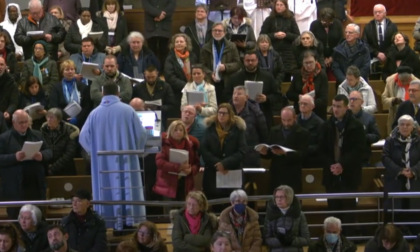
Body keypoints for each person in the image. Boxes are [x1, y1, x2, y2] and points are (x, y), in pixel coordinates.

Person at [79, 82, 147, 231]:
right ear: (118, 93)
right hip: (125, 159)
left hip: (102, 162)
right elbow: (142, 134)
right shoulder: (128, 110)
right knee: (127, 187)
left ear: (102, 94)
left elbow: (83, 136)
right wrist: (137, 150)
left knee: (106, 190)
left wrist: (94, 151)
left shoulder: (95, 113)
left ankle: (109, 222)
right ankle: (128, 222)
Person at [319, 95, 366, 223]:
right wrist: (332, 166)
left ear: (346, 107)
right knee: (333, 210)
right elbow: (321, 150)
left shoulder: (356, 126)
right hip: (331, 173)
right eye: (333, 106)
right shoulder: (326, 126)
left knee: (348, 210)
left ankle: (349, 238)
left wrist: (342, 165)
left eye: (339, 106)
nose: (335, 109)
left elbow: (359, 151)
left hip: (349, 174)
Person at [0, 110, 52, 219]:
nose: (24, 125)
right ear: (14, 123)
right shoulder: (4, 138)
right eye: (21, 123)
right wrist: (14, 157)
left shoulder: (37, 134)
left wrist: (41, 155)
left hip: (35, 184)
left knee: (37, 216)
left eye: (25, 122)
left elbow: (49, 151)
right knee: (16, 218)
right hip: (14, 186)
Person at [201, 103, 247, 200]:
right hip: (213, 171)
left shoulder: (238, 129)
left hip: (232, 171)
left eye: (224, 113)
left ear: (230, 115)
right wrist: (217, 163)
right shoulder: (210, 128)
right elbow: (204, 150)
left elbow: (242, 151)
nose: (221, 115)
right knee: (214, 200)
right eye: (219, 113)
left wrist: (225, 163)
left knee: (232, 200)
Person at [258, 106, 309, 193]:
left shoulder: (303, 132)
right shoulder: (274, 131)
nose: (286, 123)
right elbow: (270, 152)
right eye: (283, 120)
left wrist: (285, 153)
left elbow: (303, 155)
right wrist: (264, 152)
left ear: (295, 118)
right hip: (276, 173)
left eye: (289, 120)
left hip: (292, 173)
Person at [226, 51, 283, 127]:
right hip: (240, 114)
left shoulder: (267, 77)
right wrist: (238, 98)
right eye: (247, 60)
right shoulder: (235, 78)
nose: (250, 63)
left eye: (252, 60)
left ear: (257, 61)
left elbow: (277, 95)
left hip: (263, 111)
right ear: (243, 61)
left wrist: (266, 98)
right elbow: (226, 95)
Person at [154, 120, 200, 200]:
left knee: (183, 208)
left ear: (184, 132)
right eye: (175, 130)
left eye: (181, 130)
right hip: (168, 183)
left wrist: (191, 170)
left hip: (185, 183)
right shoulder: (164, 144)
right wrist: (178, 167)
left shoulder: (190, 145)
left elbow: (196, 163)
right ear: (170, 131)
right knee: (170, 209)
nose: (178, 132)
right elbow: (159, 162)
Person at [383, 115, 420, 212]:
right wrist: (400, 170)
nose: (405, 127)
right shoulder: (390, 141)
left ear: (413, 127)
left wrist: (414, 170)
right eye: (402, 124)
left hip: (415, 180)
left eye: (408, 125)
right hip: (395, 179)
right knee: (396, 211)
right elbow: (385, 157)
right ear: (398, 126)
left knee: (414, 212)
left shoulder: (418, 141)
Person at [200, 22, 241, 104]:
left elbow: (238, 64)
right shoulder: (205, 47)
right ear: (212, 32)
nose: (217, 32)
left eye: (219, 31)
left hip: (227, 81)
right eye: (215, 30)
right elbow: (202, 65)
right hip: (211, 81)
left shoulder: (231, 46)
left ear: (225, 32)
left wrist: (226, 67)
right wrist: (210, 73)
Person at [260, 0, 300, 81]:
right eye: (277, 5)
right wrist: (274, 35)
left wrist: (286, 35)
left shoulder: (291, 19)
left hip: (288, 54)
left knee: (286, 78)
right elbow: (262, 35)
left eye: (281, 5)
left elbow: (297, 36)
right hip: (273, 52)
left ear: (285, 6)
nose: (279, 7)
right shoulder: (269, 19)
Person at [264, 185, 310, 252]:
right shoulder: (270, 214)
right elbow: (266, 239)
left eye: (282, 197)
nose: (279, 199)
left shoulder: (300, 215)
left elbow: (306, 240)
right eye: (276, 197)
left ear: (289, 197)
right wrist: (280, 241)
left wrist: (292, 240)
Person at [230, 86, 268, 167]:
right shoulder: (227, 110)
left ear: (246, 97)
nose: (236, 96)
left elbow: (263, 133)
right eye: (234, 94)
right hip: (231, 155)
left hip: (250, 155)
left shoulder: (256, 112)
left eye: (239, 94)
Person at [287, 50, 328, 120]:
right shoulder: (297, 74)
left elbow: (324, 99)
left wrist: (308, 103)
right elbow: (289, 94)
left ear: (316, 61)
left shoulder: (322, 75)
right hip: (300, 112)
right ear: (302, 63)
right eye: (306, 63)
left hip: (317, 112)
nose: (308, 65)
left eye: (311, 62)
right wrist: (299, 97)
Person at [164, 33, 198, 116]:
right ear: (173, 44)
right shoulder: (170, 58)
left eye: (181, 41)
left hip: (193, 89)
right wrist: (186, 86)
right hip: (177, 92)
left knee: (193, 113)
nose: (179, 43)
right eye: (177, 42)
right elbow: (170, 77)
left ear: (186, 44)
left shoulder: (192, 56)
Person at [41, 108, 80, 176]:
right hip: (47, 169)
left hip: (65, 169)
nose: (49, 120)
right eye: (48, 117)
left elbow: (69, 153)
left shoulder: (69, 132)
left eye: (52, 118)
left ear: (58, 120)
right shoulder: (43, 132)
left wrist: (53, 168)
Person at [48, 59, 86, 125]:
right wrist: (66, 117)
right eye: (67, 69)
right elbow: (54, 106)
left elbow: (86, 106)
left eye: (72, 69)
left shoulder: (82, 86)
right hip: (62, 121)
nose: (70, 72)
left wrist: (78, 118)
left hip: (80, 121)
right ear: (62, 72)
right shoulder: (56, 87)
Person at [310, 7, 343, 81]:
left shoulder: (338, 24)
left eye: (329, 22)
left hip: (335, 56)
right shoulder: (314, 25)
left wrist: (332, 57)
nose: (327, 24)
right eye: (324, 22)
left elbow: (340, 42)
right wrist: (322, 58)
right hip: (319, 57)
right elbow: (313, 42)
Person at [382, 66, 419, 134]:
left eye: (407, 81)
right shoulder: (390, 81)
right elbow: (384, 99)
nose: (404, 83)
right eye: (402, 81)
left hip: (412, 110)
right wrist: (393, 100)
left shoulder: (416, 83)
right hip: (396, 112)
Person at [348, 91, 381, 166]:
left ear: (362, 102)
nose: (352, 101)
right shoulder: (344, 117)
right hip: (346, 157)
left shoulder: (369, 118)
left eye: (355, 99)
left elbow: (376, 136)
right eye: (350, 99)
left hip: (363, 158)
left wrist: (363, 136)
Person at [142, 0, 176, 70]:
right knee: (151, 51)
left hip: (165, 26)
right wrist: (158, 13)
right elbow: (146, 5)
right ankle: (152, 71)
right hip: (151, 26)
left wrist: (163, 15)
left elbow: (172, 5)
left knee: (164, 51)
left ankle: (164, 71)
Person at [297, 94, 324, 168]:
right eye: (300, 103)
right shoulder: (294, 120)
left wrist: (305, 149)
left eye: (305, 104)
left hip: (312, 160)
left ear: (312, 106)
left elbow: (321, 146)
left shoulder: (320, 123)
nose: (302, 106)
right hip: (297, 159)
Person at [0, 57, 18, 124]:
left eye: (2, 65)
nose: (0, 67)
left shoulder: (11, 83)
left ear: (5, 67)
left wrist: (8, 111)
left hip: (4, 116)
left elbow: (14, 102)